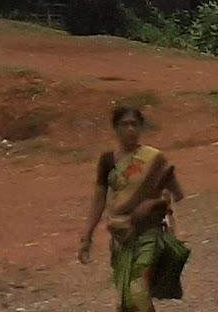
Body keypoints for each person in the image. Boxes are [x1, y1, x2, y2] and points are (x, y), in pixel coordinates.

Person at [78, 105, 184, 311]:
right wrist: (86, 237)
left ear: (141, 127)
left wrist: (151, 204)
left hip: (149, 234)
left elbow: (174, 195)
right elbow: (99, 200)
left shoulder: (154, 159)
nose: (130, 129)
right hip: (122, 237)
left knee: (138, 289)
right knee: (127, 300)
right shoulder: (108, 161)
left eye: (134, 124)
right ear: (115, 129)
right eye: (124, 125)